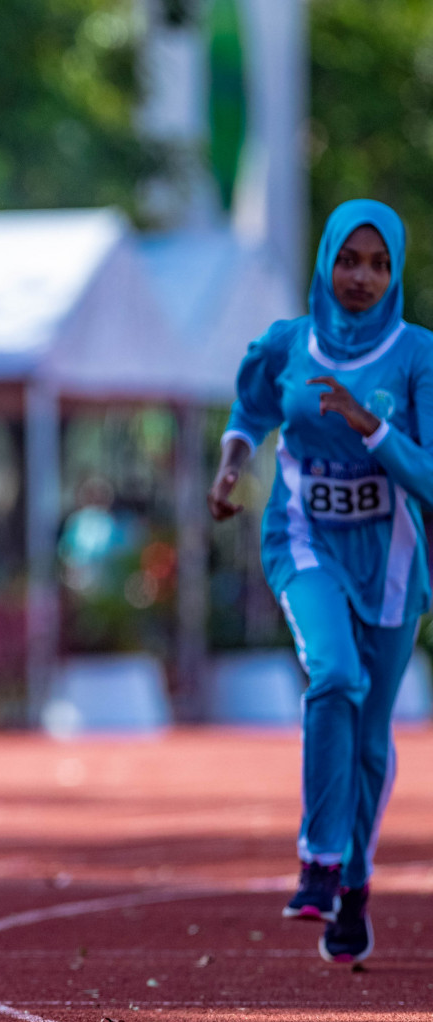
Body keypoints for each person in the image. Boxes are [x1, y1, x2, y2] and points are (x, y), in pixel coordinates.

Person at [210, 199, 433, 965]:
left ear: (395, 271)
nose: (361, 277)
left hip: (392, 560)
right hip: (303, 539)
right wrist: (233, 462)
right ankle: (318, 860)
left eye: (378, 264)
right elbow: (250, 407)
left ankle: (356, 884)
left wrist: (372, 428)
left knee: (372, 743)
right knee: (334, 675)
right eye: (348, 259)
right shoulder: (288, 344)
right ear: (325, 262)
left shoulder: (417, 356)